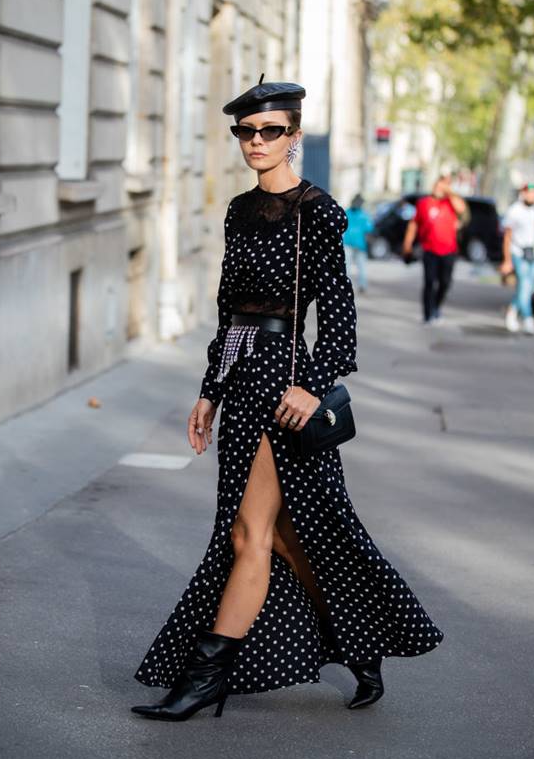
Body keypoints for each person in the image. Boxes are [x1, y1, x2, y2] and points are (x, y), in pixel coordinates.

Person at [131, 76, 443, 722]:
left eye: (271, 131)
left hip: (284, 387)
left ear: (293, 136)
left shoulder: (318, 211)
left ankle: (203, 680)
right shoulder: (239, 211)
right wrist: (209, 390)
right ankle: (360, 645)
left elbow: (342, 321)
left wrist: (311, 382)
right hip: (242, 382)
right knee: (282, 537)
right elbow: (228, 312)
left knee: (249, 531)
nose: (257, 142)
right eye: (247, 131)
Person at [402, 175, 467, 324]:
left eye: (444, 185)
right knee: (429, 282)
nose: (440, 188)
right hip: (429, 249)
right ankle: (427, 315)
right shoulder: (423, 203)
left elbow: (461, 208)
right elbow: (414, 225)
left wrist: (449, 191)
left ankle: (436, 307)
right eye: (438, 185)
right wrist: (407, 244)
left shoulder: (450, 202)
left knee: (445, 282)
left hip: (449, 250)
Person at [500, 183, 534, 335]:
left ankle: (512, 311)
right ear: (523, 193)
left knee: (530, 289)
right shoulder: (514, 211)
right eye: (528, 192)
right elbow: (507, 237)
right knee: (523, 285)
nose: (531, 195)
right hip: (518, 252)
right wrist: (507, 259)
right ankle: (528, 320)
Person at [343, 194, 372, 292]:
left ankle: (346, 286)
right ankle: (362, 285)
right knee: (361, 266)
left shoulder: (346, 212)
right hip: (359, 244)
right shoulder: (364, 215)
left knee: (348, 266)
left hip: (349, 243)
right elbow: (369, 229)